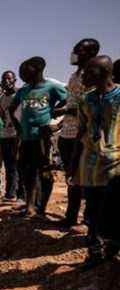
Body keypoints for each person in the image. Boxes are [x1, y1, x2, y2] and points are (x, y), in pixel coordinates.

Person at [76, 55, 120, 268]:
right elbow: (81, 131)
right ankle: (94, 252)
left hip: (116, 167)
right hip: (91, 166)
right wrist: (73, 164)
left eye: (89, 71)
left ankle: (112, 247)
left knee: (114, 211)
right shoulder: (86, 100)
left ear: (104, 72)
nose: (84, 75)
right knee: (92, 212)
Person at [9, 56, 68, 217]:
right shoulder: (24, 90)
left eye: (25, 70)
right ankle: (30, 205)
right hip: (27, 138)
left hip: (44, 140)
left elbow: (71, 104)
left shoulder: (52, 86)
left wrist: (56, 123)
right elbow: (12, 109)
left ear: (37, 69)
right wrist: (19, 129)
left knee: (44, 172)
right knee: (27, 172)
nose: (21, 74)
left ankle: (41, 207)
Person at [52, 39, 100, 228]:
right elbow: (71, 101)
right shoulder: (74, 75)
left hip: (84, 134)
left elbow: (88, 107)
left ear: (91, 53)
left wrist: (64, 112)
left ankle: (88, 218)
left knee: (86, 176)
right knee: (71, 176)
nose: (74, 53)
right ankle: (71, 216)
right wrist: (61, 122)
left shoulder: (94, 76)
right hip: (68, 132)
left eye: (79, 50)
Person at [0, 70, 21, 201]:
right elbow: (1, 116)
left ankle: (20, 194)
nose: (6, 81)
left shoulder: (20, 95)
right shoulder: (1, 99)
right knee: (9, 165)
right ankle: (10, 193)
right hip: (6, 135)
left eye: (9, 79)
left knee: (19, 165)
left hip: (18, 135)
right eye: (4, 79)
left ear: (14, 80)